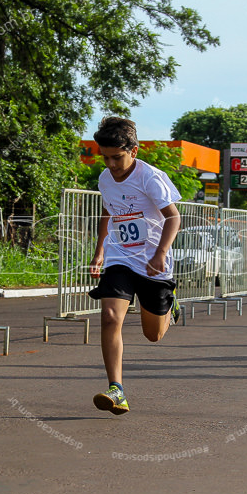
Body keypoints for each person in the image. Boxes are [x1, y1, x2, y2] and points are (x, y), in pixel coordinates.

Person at [88, 117, 181, 414]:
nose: (111, 164)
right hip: (121, 258)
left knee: (153, 335)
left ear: (134, 151)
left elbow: (173, 217)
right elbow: (108, 211)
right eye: (105, 157)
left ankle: (170, 304)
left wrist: (161, 254)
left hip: (154, 263)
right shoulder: (104, 178)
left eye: (117, 157)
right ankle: (117, 389)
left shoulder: (150, 177)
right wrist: (100, 249)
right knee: (110, 317)